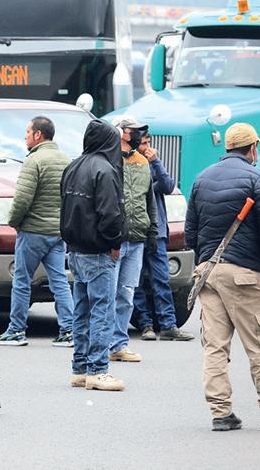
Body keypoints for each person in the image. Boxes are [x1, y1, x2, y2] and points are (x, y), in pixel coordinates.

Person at [186, 122, 260, 432]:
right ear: (252, 149)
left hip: (209, 272)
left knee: (215, 346)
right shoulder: (257, 178)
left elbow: (191, 231)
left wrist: (206, 258)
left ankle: (221, 414)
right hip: (246, 273)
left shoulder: (202, 179)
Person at [0, 116, 73, 347]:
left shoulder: (33, 160)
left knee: (22, 281)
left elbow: (22, 199)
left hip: (33, 231)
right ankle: (69, 330)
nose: (25, 136)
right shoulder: (66, 160)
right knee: (59, 281)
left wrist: (14, 222)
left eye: (28, 132)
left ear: (38, 134)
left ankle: (16, 330)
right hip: (57, 232)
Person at [60, 118, 127, 391]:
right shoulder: (106, 170)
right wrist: (115, 242)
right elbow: (110, 215)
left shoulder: (73, 166)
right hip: (99, 251)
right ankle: (98, 370)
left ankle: (79, 368)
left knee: (82, 311)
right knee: (102, 310)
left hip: (75, 249)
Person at [134, 133, 193, 342]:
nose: (148, 147)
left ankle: (168, 324)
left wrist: (156, 162)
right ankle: (145, 324)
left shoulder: (152, 164)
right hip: (135, 231)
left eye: (148, 142)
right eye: (144, 143)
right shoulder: (130, 165)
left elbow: (168, 186)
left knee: (162, 279)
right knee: (135, 281)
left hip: (157, 231)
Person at [108, 117, 158, 364]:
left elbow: (149, 199)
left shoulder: (142, 161)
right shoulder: (108, 159)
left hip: (137, 239)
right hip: (114, 240)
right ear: (121, 133)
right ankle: (104, 343)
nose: (138, 135)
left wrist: (153, 231)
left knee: (126, 295)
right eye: (133, 131)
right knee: (108, 295)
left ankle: (119, 344)